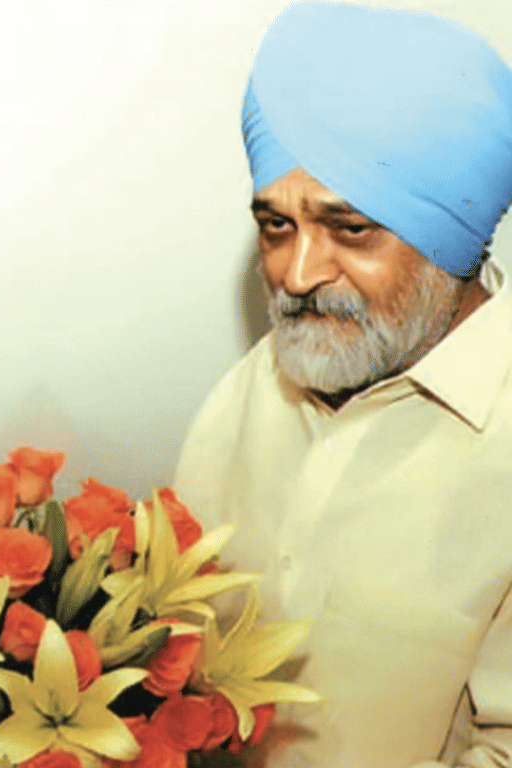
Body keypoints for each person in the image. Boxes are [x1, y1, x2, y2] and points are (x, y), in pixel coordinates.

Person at [174, 3, 512, 767]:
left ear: (448, 239)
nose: (298, 274)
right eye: (276, 226)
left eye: (350, 230)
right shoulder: (250, 390)